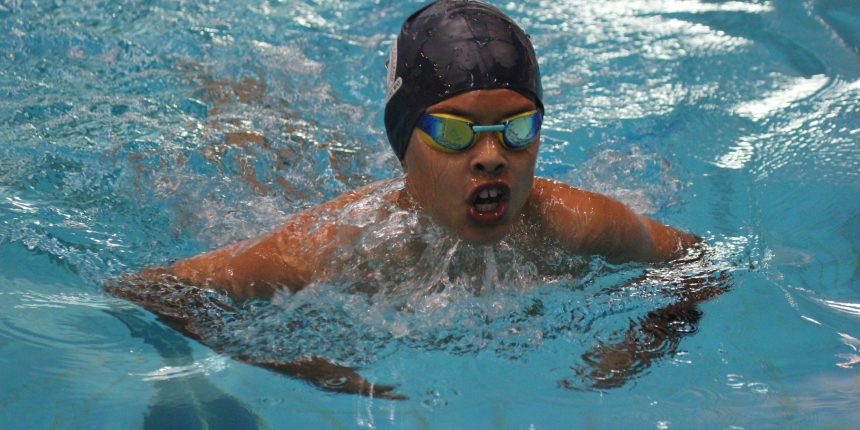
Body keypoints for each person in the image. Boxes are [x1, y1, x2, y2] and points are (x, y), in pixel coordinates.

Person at [112, 0, 703, 399]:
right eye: (453, 131)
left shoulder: (579, 225)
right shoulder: (338, 248)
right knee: (256, 165)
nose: (492, 155)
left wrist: (643, 344)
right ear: (403, 141)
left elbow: (699, 264)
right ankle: (226, 87)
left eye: (518, 128)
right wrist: (307, 369)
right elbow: (150, 291)